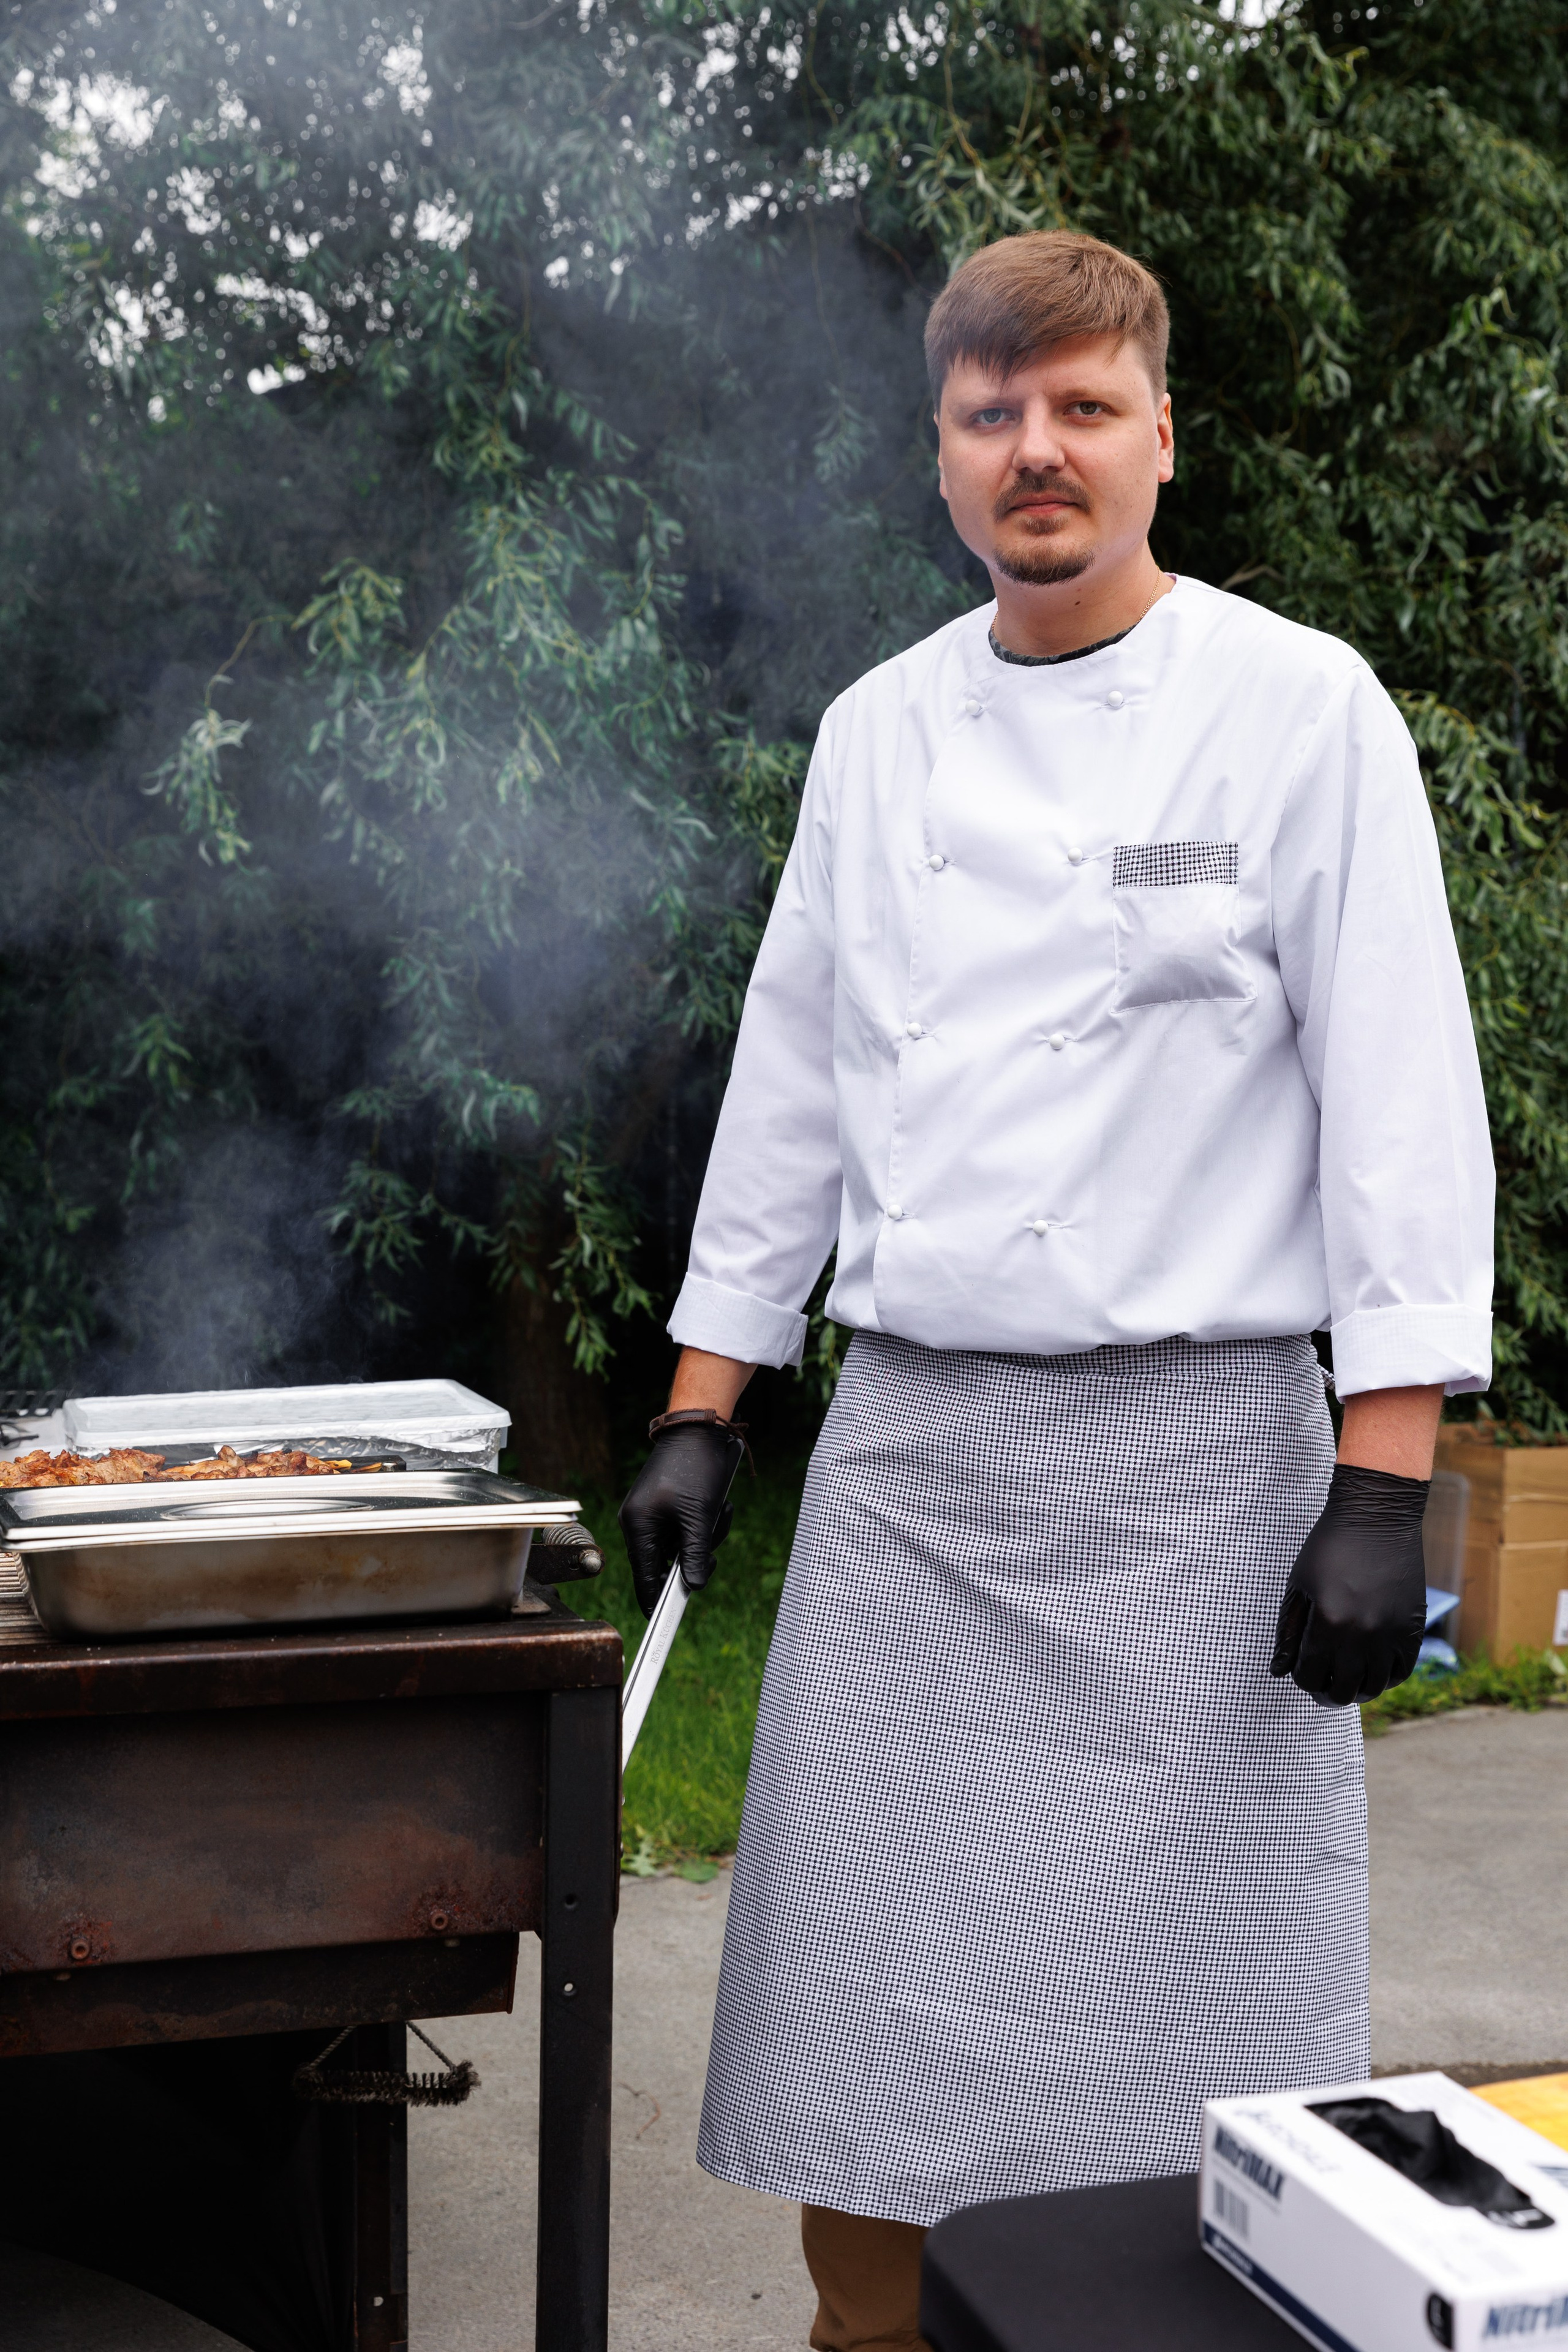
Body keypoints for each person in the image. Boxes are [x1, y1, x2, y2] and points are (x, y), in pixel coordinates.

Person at [620, 230, 1493, 2352]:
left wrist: (1387, 1484)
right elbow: (794, 1086)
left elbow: (1400, 1102)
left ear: (1161, 439)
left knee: (1188, 2089)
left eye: (1084, 409)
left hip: (1202, 1481)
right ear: (940, 456)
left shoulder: (1303, 715)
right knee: (865, 2060)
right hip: (914, 1465)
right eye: (994, 414)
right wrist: (701, 1402)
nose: (1041, 452)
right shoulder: (875, 738)